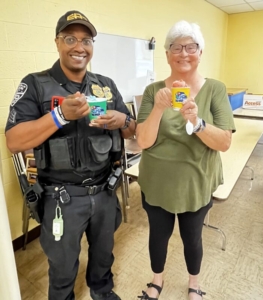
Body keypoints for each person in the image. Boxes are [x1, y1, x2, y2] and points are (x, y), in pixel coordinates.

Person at [5, 10, 136, 300]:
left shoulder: (105, 85)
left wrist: (121, 120)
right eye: (70, 38)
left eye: (86, 40)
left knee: (103, 257)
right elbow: (13, 141)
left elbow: (131, 131)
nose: (79, 46)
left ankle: (102, 292)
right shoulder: (36, 84)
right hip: (61, 198)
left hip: (104, 191)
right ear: (57, 42)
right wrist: (59, 115)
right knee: (63, 268)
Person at [136, 20, 235, 300]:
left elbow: (225, 143)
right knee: (158, 235)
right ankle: (157, 281)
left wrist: (198, 121)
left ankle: (194, 284)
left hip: (196, 181)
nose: (183, 53)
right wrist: (157, 108)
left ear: (200, 52)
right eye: (176, 47)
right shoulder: (154, 90)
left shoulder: (215, 89)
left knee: (192, 237)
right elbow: (143, 141)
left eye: (191, 47)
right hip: (157, 181)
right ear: (167, 54)